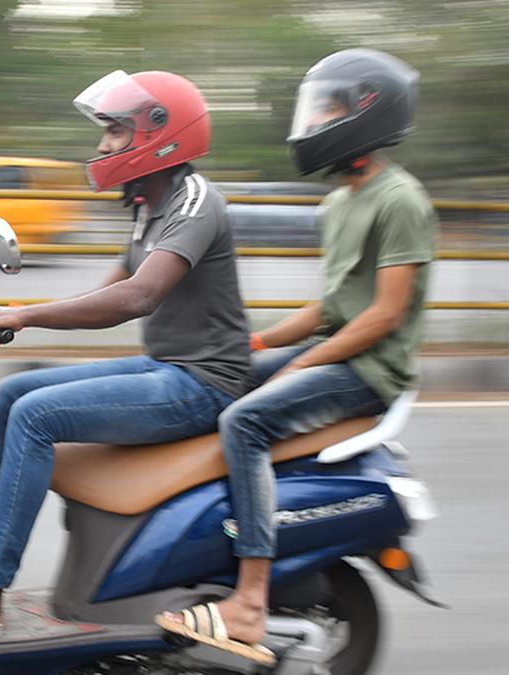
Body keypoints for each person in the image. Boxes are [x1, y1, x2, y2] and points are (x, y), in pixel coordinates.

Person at [0, 70, 253, 640]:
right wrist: (14, 311)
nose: (104, 144)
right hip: (167, 368)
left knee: (39, 417)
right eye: (106, 132)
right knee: (15, 393)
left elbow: (138, 296)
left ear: (162, 135)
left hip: (203, 384)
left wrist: (25, 316)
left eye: (115, 132)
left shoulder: (194, 203)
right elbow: (107, 289)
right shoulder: (150, 204)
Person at [158, 49, 437, 666]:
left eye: (328, 109)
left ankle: (251, 597)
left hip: (371, 371)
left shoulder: (401, 200)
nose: (314, 122)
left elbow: (385, 314)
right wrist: (254, 346)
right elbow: (332, 307)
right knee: (217, 383)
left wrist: (304, 364)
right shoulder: (338, 204)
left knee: (245, 419)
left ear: (367, 112)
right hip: (338, 351)